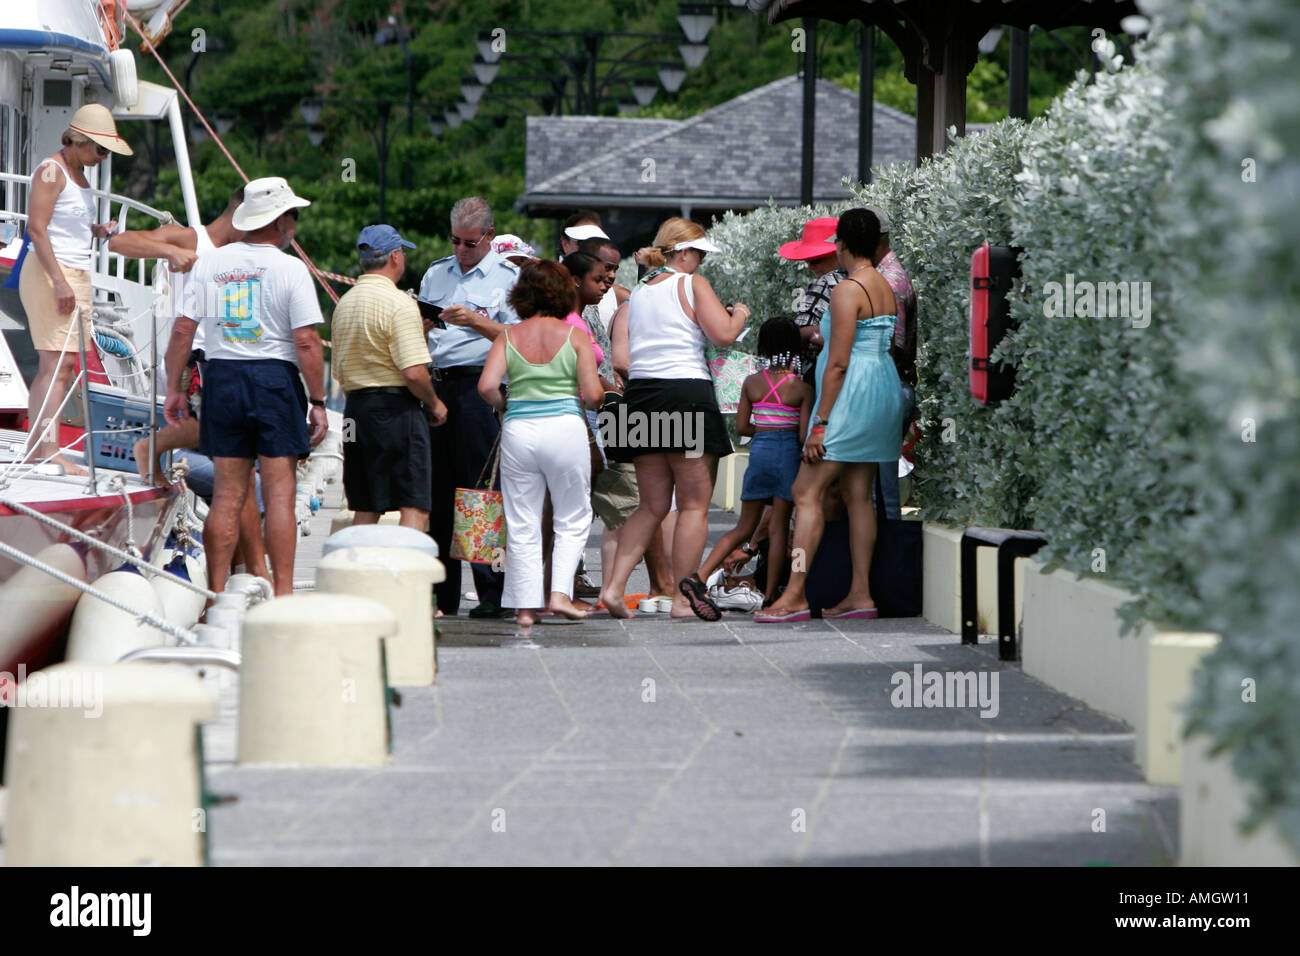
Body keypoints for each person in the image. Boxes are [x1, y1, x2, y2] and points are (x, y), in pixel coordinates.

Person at [164, 176, 328, 598]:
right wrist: (318, 401)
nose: (295, 223)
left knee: (228, 493)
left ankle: (217, 595)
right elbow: (307, 342)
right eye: (293, 215)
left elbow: (183, 332)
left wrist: (175, 389)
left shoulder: (212, 263)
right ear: (280, 220)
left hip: (222, 380)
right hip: (273, 380)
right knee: (278, 494)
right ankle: (285, 593)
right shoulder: (291, 268)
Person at [758, 208, 903, 623]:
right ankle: (861, 594)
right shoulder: (885, 284)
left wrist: (819, 422)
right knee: (859, 495)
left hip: (851, 396)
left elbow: (837, 363)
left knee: (806, 492)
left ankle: (797, 594)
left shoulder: (847, 290)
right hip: (882, 390)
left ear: (839, 244)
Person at [598, 217, 749, 620]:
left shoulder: (637, 295)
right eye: (698, 253)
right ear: (682, 251)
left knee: (650, 506)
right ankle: (684, 600)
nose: (700, 262)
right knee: (694, 505)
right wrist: (741, 316)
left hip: (642, 397)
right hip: (686, 394)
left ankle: (612, 588)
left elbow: (622, 358)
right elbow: (723, 335)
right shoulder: (691, 284)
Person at [478, 260, 603, 628]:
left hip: (519, 430)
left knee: (522, 520)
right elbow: (593, 395)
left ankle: (525, 608)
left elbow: (486, 387)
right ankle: (560, 594)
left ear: (522, 295)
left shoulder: (508, 336)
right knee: (573, 515)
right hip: (565, 428)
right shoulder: (575, 336)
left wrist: (507, 407)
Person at [418, 197, 520, 619]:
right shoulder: (435, 273)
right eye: (455, 241)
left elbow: (517, 336)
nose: (461, 250)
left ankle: (491, 593)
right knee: (438, 495)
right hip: (439, 385)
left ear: (489, 237)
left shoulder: (507, 277)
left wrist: (475, 320)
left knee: (479, 493)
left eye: (470, 243)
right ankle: (443, 596)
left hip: (480, 387)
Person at [19, 104, 132, 473]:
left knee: (62, 364)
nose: (103, 157)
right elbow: (36, 227)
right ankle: (47, 451)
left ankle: (40, 448)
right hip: (54, 273)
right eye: (100, 150)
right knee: (56, 363)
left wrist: (97, 230)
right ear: (79, 141)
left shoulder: (76, 172)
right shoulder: (52, 170)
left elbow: (62, 225)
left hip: (71, 272)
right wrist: (59, 281)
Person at [686, 316, 812, 617]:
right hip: (787, 457)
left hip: (760, 455)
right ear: (795, 346)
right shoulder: (801, 388)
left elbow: (742, 426)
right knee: (780, 526)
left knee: (743, 527)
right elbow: (804, 435)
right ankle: (770, 596)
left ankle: (699, 576)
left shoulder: (751, 383)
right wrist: (784, 429)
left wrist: (766, 430)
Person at [332, 225, 448, 530]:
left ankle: (363, 575)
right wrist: (435, 404)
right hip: (395, 410)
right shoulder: (400, 303)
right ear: (395, 256)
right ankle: (406, 575)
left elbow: (343, 369)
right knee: (415, 504)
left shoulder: (344, 304)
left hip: (355, 409)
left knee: (365, 504)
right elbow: (412, 373)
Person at [865, 204, 918, 520]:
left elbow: (891, 349)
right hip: (891, 387)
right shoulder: (885, 277)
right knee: (876, 489)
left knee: (879, 494)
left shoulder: (889, 281)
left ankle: (887, 564)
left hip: (887, 389)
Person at [780, 216, 846, 388]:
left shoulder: (827, 281)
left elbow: (798, 333)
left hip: (819, 374)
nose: (810, 266)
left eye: (816, 260)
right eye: (807, 260)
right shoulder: (864, 279)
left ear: (838, 253)